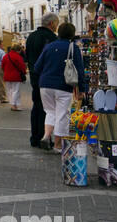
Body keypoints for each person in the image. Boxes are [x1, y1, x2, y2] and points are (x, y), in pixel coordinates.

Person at [32, 22, 87, 153]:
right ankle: (57, 145)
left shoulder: (49, 46)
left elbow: (37, 67)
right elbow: (79, 70)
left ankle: (46, 136)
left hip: (45, 84)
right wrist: (82, 89)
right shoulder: (73, 48)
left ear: (58, 32)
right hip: (63, 85)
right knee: (62, 114)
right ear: (72, 34)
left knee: (50, 112)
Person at [24, 13, 59, 149]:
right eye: (56, 23)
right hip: (47, 77)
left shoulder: (31, 37)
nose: (56, 26)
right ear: (51, 24)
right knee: (48, 109)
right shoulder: (51, 38)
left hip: (34, 77)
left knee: (36, 106)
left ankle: (35, 137)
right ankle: (44, 137)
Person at [2, 43, 28, 111]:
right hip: (16, 76)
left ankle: (13, 104)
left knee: (9, 90)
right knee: (16, 91)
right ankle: (14, 105)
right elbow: (22, 67)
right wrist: (24, 73)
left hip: (7, 76)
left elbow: (2, 66)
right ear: (18, 50)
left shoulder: (5, 56)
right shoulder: (18, 57)